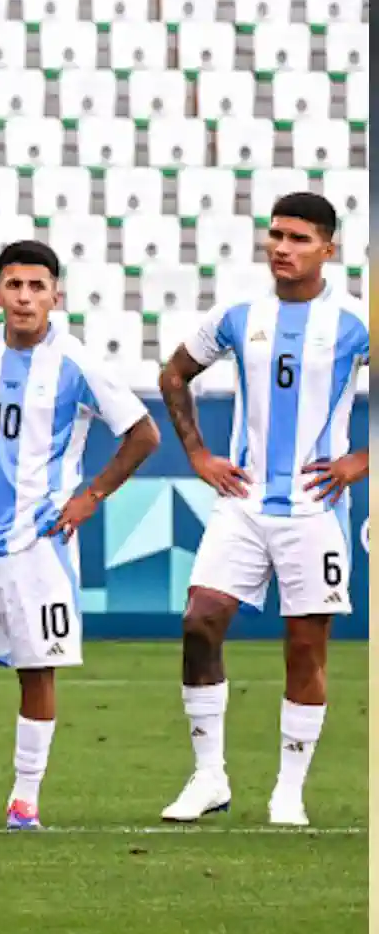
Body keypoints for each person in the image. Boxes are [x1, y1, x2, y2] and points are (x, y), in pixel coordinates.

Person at [0, 240, 159, 830]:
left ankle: (24, 799)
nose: (24, 297)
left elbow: (143, 434)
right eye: (14, 285)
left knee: (36, 670)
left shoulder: (77, 364)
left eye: (36, 287)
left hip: (38, 544)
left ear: (56, 296)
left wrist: (90, 497)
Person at [157, 193, 368, 828]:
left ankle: (288, 791)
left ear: (328, 249)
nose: (282, 247)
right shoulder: (239, 314)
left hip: (316, 509)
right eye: (276, 235)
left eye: (299, 238)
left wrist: (360, 460)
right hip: (243, 503)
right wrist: (199, 455)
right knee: (200, 620)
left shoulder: (355, 321)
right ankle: (209, 777)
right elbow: (174, 375)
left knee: (304, 648)